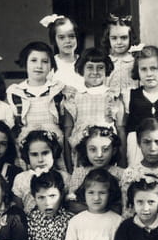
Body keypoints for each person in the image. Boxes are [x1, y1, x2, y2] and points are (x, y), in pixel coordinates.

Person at [7, 41, 70, 169]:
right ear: (25, 62)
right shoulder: (15, 93)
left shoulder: (58, 90)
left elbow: (65, 123)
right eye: (33, 60)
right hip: (28, 148)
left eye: (45, 61)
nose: (39, 66)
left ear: (51, 65)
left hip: (55, 146)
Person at [62, 47, 126, 168]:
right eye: (90, 67)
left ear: (107, 69)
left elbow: (121, 129)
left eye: (100, 67)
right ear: (82, 69)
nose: (95, 72)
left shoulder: (113, 96)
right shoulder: (73, 97)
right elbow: (68, 132)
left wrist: (122, 164)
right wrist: (69, 166)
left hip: (107, 153)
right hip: (81, 155)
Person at [123, 45, 158, 166]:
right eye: (143, 69)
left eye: (153, 68)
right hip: (137, 150)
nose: (149, 74)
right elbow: (122, 128)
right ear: (138, 71)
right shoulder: (129, 96)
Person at [120, 118, 158, 218]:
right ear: (139, 143)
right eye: (147, 142)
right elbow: (127, 210)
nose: (152, 148)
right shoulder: (129, 173)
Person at [66, 125, 124, 213]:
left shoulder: (121, 174)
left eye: (105, 149)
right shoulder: (79, 173)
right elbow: (72, 204)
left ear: (114, 150)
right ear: (85, 150)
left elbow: (121, 206)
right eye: (93, 149)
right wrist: (96, 210)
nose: (99, 155)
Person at [12, 130, 70, 213]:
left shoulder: (65, 177)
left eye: (45, 153)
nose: (40, 160)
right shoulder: (21, 179)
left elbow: (68, 205)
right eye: (34, 154)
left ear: (53, 153)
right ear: (27, 156)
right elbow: (18, 209)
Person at [39, 14, 84, 91]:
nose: (68, 41)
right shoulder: (51, 64)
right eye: (62, 37)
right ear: (54, 40)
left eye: (71, 36)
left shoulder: (84, 61)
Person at [103, 13, 141, 98]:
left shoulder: (136, 61)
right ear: (108, 38)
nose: (119, 42)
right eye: (114, 38)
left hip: (132, 102)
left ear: (130, 37)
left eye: (124, 38)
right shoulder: (105, 61)